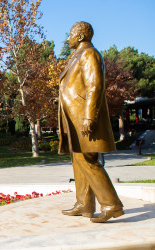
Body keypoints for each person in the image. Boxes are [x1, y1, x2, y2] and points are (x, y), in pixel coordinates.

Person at [58, 21, 123, 223]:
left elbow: (95, 86)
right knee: (78, 159)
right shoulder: (77, 55)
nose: (67, 38)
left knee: (88, 160)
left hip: (83, 116)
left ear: (80, 36)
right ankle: (84, 203)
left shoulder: (89, 54)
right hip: (74, 117)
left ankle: (111, 204)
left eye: (70, 34)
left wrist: (89, 116)